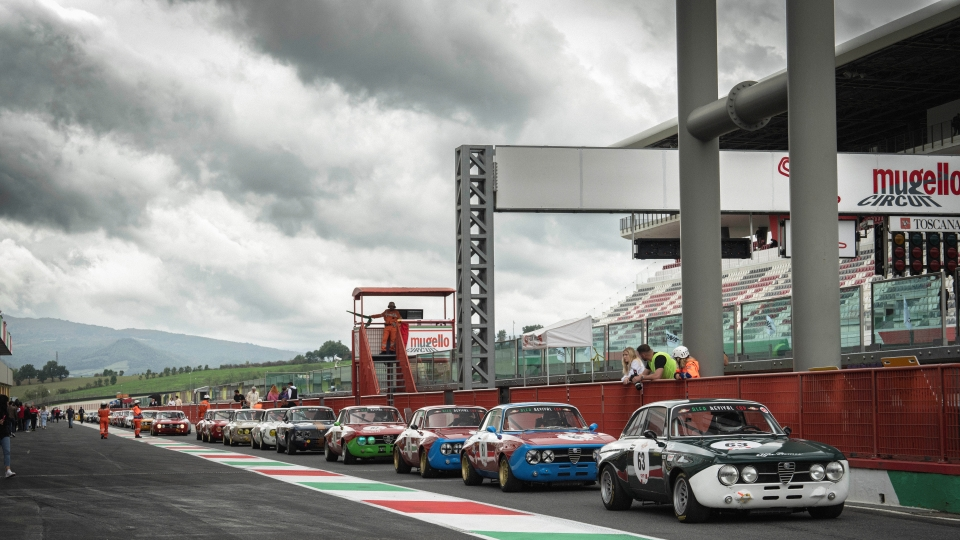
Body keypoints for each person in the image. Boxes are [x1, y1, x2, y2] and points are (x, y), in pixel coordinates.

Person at [1, 395, 14, 478]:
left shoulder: (6, 410)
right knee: (7, 452)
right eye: (6, 401)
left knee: (7, 451)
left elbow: (8, 421)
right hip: (4, 432)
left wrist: (5, 422)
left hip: (5, 433)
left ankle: (8, 470)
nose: (7, 403)